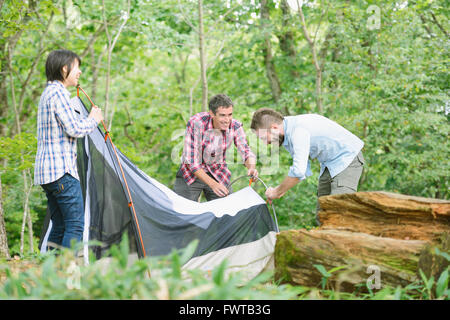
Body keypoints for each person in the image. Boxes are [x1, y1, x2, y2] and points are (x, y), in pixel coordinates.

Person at [34, 49, 103, 250]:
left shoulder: (48, 93)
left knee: (60, 226)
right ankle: (65, 275)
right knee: (75, 225)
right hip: (61, 171)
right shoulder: (59, 93)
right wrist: (93, 120)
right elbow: (74, 129)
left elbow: (67, 125)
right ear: (65, 69)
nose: (79, 72)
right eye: (77, 67)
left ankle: (52, 276)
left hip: (47, 173)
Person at [250, 108, 365, 224]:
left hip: (347, 159)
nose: (265, 143)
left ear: (274, 128)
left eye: (264, 138)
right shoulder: (286, 134)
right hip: (329, 164)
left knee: (338, 214)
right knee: (323, 216)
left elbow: (299, 171)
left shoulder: (298, 131)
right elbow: (302, 169)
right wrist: (282, 189)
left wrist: (277, 192)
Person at [174, 94, 258, 201]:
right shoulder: (196, 123)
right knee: (182, 210)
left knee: (227, 211)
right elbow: (192, 162)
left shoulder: (235, 127)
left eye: (230, 114)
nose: (227, 120)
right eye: (222, 115)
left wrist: (251, 167)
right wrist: (213, 185)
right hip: (191, 173)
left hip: (217, 171)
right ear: (212, 114)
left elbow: (246, 151)